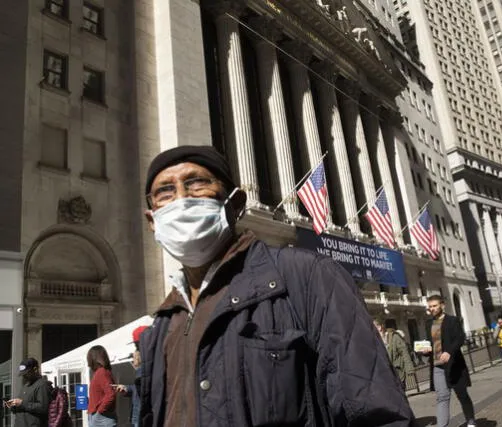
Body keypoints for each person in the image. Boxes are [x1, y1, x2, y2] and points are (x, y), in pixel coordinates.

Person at [138, 146, 415, 426]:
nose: (181, 200)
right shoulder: (159, 328)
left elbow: (377, 412)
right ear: (152, 221)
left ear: (235, 204)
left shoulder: (308, 277)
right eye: (165, 192)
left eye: (197, 183)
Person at [418, 295, 476, 427]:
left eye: (434, 306)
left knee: (462, 394)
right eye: (430, 306)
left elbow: (459, 338)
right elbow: (430, 343)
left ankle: (471, 420)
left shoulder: (452, 320)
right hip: (437, 366)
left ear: (442, 305)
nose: (431, 309)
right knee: (442, 397)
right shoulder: (429, 324)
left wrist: (449, 352)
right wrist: (425, 350)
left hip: (454, 365)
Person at [113, 326, 148, 427]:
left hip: (142, 415)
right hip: (139, 414)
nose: (133, 360)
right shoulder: (142, 370)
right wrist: (126, 388)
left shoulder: (143, 370)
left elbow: (143, 391)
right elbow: (138, 389)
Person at [5, 358, 50, 427]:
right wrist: (13, 406)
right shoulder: (26, 386)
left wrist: (22, 403)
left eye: (26, 373)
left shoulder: (42, 385)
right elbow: (23, 407)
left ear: (35, 369)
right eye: (23, 374)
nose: (24, 376)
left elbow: (43, 408)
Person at [373, 319, 415, 388]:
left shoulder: (394, 337)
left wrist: (409, 369)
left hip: (398, 373)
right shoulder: (375, 342)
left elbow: (404, 353)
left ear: (379, 327)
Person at [87, 345, 117, 427]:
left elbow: (110, 395)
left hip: (101, 418)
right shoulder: (102, 372)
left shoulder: (101, 372)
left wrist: (99, 411)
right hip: (101, 417)